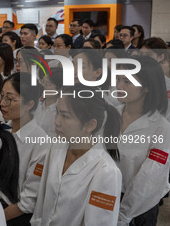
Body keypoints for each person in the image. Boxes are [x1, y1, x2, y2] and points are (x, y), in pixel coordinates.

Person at [31, 84, 122, 226]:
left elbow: (99, 222)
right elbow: (41, 204)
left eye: (65, 116)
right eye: (57, 112)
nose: (56, 121)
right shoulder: (56, 147)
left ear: (90, 125)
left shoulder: (106, 172)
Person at [116, 56, 170, 226]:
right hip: (105, 195)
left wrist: (123, 215)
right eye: (118, 79)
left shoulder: (160, 128)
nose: (119, 86)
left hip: (139, 208)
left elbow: (149, 177)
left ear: (147, 87)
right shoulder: (109, 116)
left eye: (127, 81)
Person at [0, 72, 49, 225]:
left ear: (29, 104)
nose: (2, 103)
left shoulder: (41, 143)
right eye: (1, 96)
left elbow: (28, 201)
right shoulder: (2, 130)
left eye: (10, 99)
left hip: (14, 215)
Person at [34, 67, 63, 137]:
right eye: (42, 81)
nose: (42, 86)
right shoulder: (36, 104)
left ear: (59, 88)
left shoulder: (60, 111)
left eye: (47, 83)